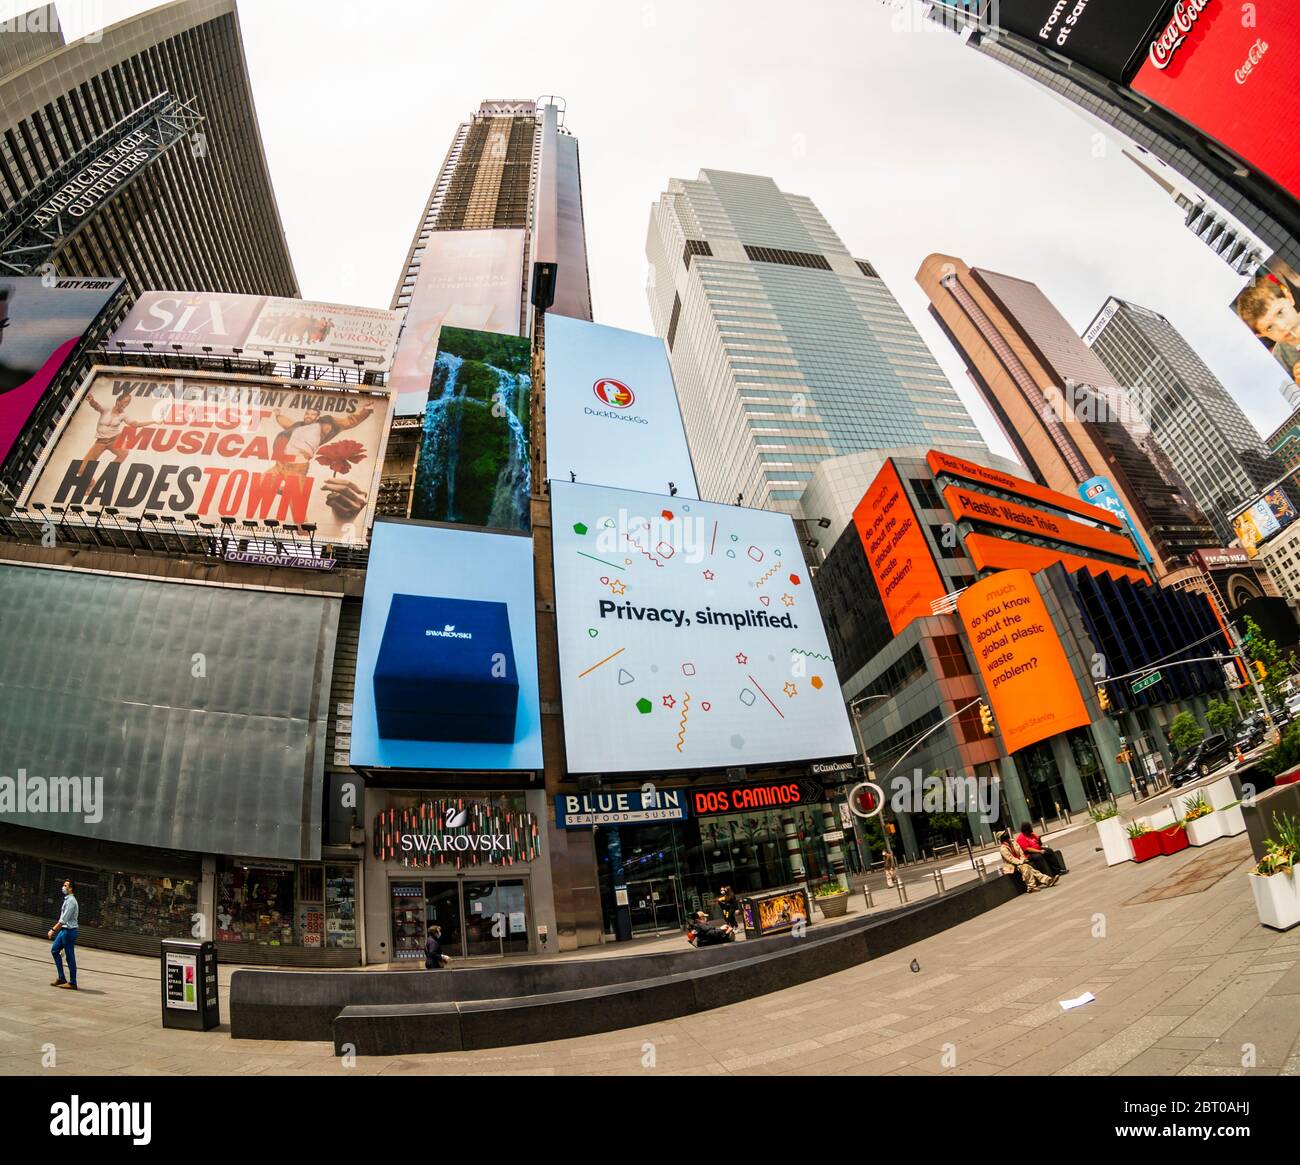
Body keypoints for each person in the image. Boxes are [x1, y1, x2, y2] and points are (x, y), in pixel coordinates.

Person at [82, 393, 139, 464]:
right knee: (82, 467)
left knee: (124, 453)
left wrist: (153, 422)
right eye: (125, 401)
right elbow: (97, 406)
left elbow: (134, 424)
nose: (126, 404)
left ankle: (110, 472)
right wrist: (91, 401)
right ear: (118, 401)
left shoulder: (123, 415)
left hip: (113, 440)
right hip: (101, 442)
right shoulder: (107, 409)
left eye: (128, 402)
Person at [48, 879, 79, 989]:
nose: (63, 887)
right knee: (55, 950)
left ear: (70, 888)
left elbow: (64, 919)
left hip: (69, 932)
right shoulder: (68, 899)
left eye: (65, 885)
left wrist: (53, 929)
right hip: (64, 931)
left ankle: (73, 982)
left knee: (70, 957)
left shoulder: (71, 901)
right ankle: (61, 977)